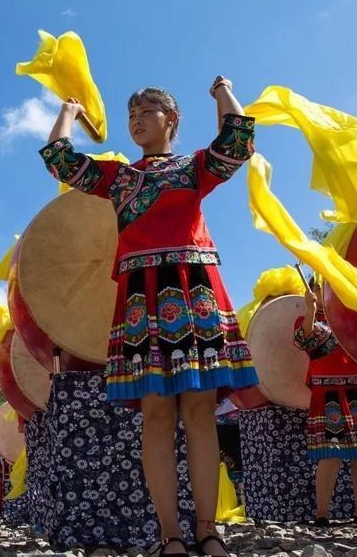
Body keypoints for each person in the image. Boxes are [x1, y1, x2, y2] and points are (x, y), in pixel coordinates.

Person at [39, 78, 258, 556]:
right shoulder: (119, 178)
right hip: (142, 298)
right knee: (157, 415)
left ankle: (208, 530)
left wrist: (222, 91)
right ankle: (170, 536)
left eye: (148, 111)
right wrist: (70, 113)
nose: (136, 119)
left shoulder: (193, 168)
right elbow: (59, 158)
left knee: (200, 413)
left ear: (171, 120)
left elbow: (238, 137)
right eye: (131, 113)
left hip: (193, 288)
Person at [293, 280, 357, 526]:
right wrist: (310, 310)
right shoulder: (307, 320)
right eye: (319, 287)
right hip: (327, 392)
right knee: (330, 455)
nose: (324, 292)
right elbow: (303, 341)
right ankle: (322, 514)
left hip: (356, 389)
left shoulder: (350, 316)